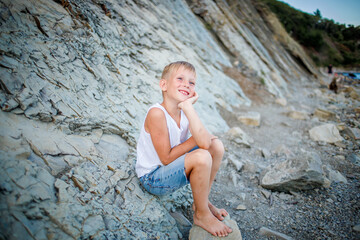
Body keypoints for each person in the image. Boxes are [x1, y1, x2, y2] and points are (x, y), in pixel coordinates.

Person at [136, 61, 232, 237]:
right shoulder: (157, 113)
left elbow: (206, 142)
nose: (186, 85)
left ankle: (201, 203)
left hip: (169, 170)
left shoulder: (185, 113)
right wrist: (194, 141)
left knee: (216, 146)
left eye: (191, 82)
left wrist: (188, 107)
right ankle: (201, 216)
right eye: (180, 78)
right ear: (163, 85)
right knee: (202, 156)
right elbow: (165, 158)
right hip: (153, 178)